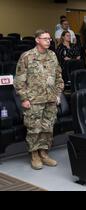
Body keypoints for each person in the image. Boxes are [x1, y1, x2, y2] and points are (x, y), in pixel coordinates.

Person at [14, 29, 64, 170]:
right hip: (34, 100)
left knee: (48, 127)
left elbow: (59, 77)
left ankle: (44, 153)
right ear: (37, 40)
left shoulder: (52, 55)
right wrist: (24, 98)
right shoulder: (27, 56)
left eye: (49, 39)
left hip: (50, 99)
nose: (49, 41)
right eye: (45, 38)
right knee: (34, 129)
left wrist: (58, 94)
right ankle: (34, 154)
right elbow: (19, 80)